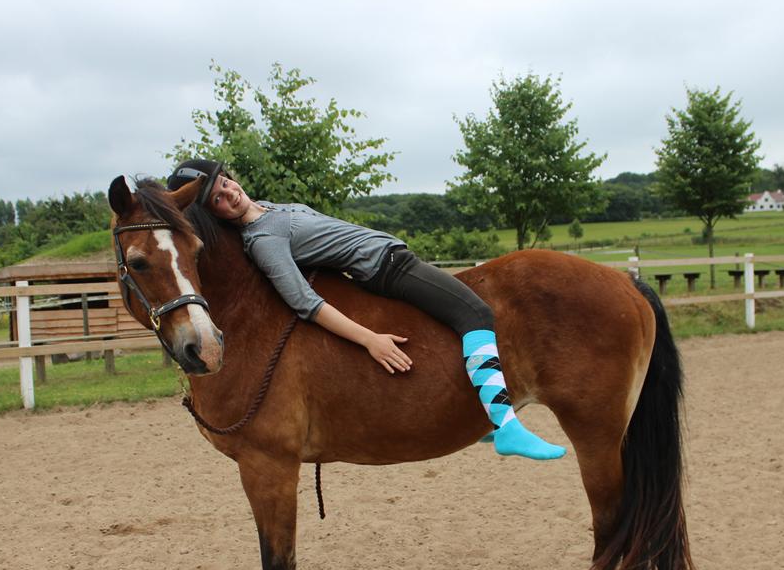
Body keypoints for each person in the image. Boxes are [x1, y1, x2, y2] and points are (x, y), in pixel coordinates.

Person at [167, 159, 565, 461]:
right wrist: (369, 339)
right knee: (475, 314)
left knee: (448, 320)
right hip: (388, 269)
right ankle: (505, 424)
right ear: (212, 213)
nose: (228, 194)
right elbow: (303, 301)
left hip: (391, 259)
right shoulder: (262, 239)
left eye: (225, 183)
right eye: (216, 199)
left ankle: (483, 414)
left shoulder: (271, 210)